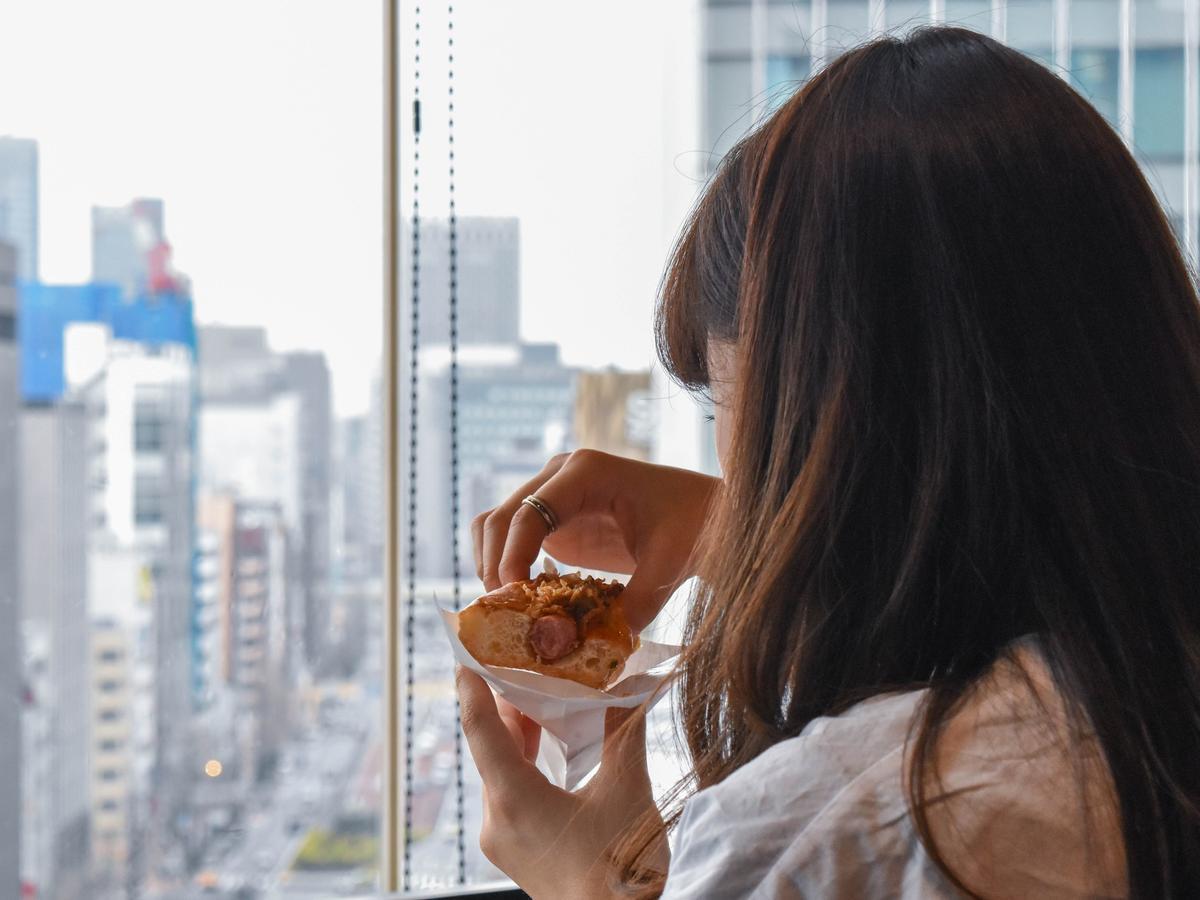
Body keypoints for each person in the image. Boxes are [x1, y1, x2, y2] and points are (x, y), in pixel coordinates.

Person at [456, 25, 1200, 898]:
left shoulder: (832, 835)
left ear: (828, 420)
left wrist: (588, 882)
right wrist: (753, 521)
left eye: (726, 406)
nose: (731, 454)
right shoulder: (1143, 698)